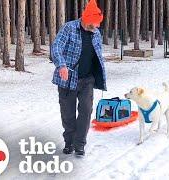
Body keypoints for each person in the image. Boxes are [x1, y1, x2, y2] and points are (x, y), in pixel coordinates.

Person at [51, 0, 107, 156]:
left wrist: (99, 74)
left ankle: (80, 144)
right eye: (94, 23)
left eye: (97, 24)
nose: (96, 27)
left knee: (86, 111)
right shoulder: (69, 28)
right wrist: (61, 65)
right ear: (85, 18)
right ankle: (69, 142)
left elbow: (97, 55)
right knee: (67, 113)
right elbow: (56, 47)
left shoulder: (96, 33)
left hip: (87, 79)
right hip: (68, 78)